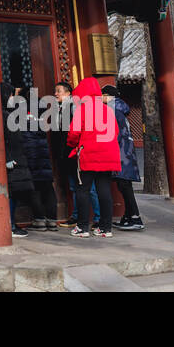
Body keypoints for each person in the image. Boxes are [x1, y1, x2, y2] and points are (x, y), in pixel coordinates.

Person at [66, 76, 120, 238]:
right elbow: (115, 132)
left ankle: (82, 227)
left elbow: (74, 134)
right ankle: (105, 228)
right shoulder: (107, 109)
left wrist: (73, 144)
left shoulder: (82, 110)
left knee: (82, 189)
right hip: (108, 154)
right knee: (104, 190)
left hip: (88, 153)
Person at [49, 81, 98, 226]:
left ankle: (97, 218)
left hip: (76, 152)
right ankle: (76, 216)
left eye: (59, 91)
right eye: (55, 91)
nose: (55, 94)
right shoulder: (58, 109)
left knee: (89, 187)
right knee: (74, 187)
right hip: (66, 153)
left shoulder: (74, 108)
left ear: (68, 93)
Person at [102, 84, 144, 230]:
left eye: (102, 95)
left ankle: (135, 218)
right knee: (124, 185)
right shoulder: (120, 109)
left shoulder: (111, 110)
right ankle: (128, 216)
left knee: (124, 186)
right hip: (127, 151)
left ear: (107, 96)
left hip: (120, 151)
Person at [16, 86, 58, 230]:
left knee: (34, 188)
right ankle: (52, 220)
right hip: (43, 152)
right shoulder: (41, 109)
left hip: (29, 153)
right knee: (47, 187)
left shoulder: (21, 109)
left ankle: (39, 219)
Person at [1, 83, 35, 238]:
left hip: (15, 158)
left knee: (13, 193)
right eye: (10, 95)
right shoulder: (2, 115)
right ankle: (10, 225)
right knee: (10, 193)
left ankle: (11, 224)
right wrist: (8, 158)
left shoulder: (7, 113)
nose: (12, 98)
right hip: (11, 160)